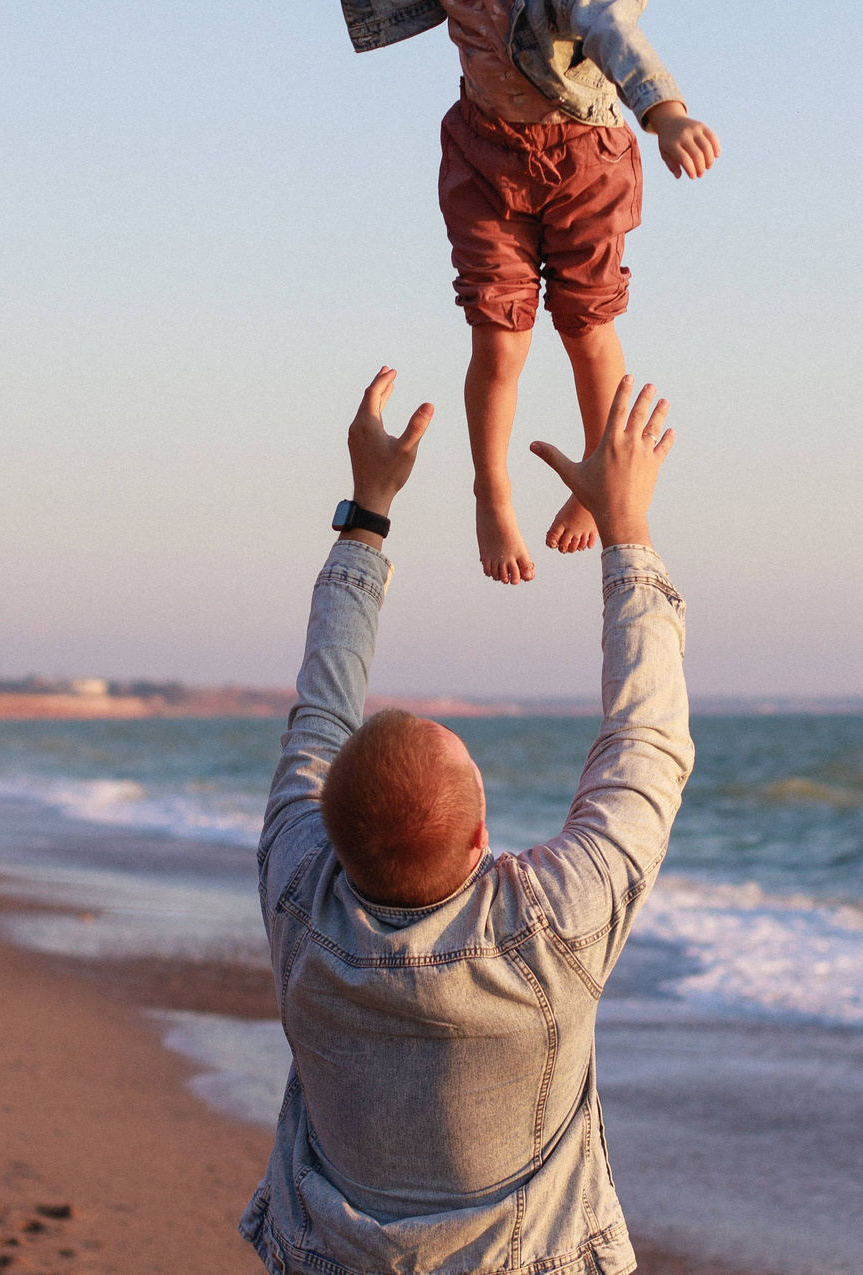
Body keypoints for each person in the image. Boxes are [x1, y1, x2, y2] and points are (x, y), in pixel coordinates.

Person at [240, 367, 694, 1275]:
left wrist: (369, 509)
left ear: (331, 831)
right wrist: (627, 528)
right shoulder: (547, 932)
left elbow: (321, 712)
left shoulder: (300, 892)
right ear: (482, 839)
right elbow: (646, 739)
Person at [321, 0, 724, 586]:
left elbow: (621, 36)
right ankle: (491, 489)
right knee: (499, 339)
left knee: (588, 329)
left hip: (582, 158)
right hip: (486, 151)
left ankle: (597, 474)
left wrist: (666, 114)